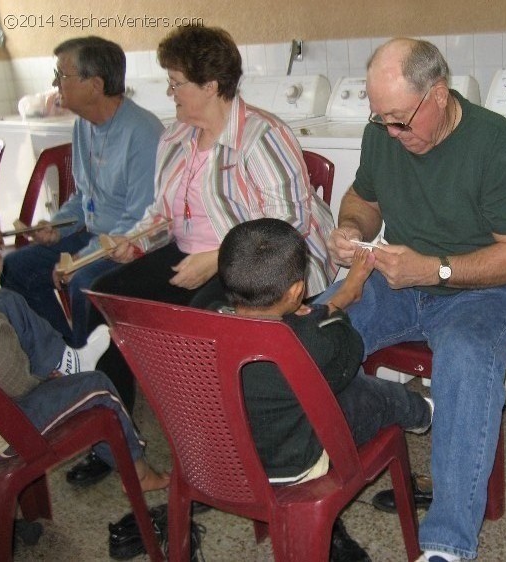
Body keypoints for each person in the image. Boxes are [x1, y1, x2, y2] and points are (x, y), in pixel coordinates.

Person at [74, 24, 336, 487]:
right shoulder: (176, 138)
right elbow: (161, 216)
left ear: (211, 86)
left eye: (177, 82)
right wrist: (132, 241)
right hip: (192, 253)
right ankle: (117, 443)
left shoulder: (263, 135)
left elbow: (285, 229)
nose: (170, 91)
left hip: (261, 266)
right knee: (105, 299)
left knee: (196, 326)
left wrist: (216, 260)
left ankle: (221, 459)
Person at [322, 39, 506, 562]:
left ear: (439, 94)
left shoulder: (498, 145)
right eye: (381, 120)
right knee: (317, 329)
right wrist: (351, 225)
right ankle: (395, 416)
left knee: (466, 359)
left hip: (484, 288)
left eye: (401, 121)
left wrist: (437, 269)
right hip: (400, 278)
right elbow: (364, 197)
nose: (392, 134)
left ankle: (446, 546)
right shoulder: (383, 132)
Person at [218, 217, 433, 562]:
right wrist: (327, 315)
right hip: (292, 467)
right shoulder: (313, 341)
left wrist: (345, 294)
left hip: (221, 462)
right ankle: (421, 412)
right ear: (295, 292)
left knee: (317, 390)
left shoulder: (205, 322)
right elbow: (350, 355)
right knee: (363, 390)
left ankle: (418, 409)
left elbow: (294, 325)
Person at [0, 36, 164, 348]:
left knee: (84, 282)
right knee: (15, 267)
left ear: (95, 84)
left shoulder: (143, 132)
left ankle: (89, 374)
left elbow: (140, 219)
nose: (54, 82)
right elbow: (83, 198)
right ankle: (61, 352)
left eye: (62, 75)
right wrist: (57, 227)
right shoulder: (82, 126)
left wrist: (78, 260)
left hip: (129, 245)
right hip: (92, 236)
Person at [0, 207, 168, 493]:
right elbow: (17, 384)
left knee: (7, 300)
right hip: (2, 432)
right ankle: (139, 472)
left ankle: (66, 362)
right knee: (98, 387)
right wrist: (40, 378)